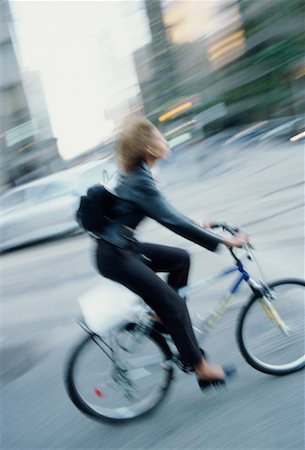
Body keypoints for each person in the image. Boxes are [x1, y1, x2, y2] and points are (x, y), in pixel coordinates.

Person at [95, 115, 249, 390]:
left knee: (180, 259)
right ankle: (201, 368)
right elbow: (172, 222)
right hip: (117, 256)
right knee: (175, 305)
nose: (165, 141)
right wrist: (225, 242)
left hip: (119, 249)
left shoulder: (138, 174)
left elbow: (167, 213)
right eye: (160, 137)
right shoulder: (139, 179)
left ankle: (160, 319)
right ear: (150, 148)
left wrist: (199, 223)